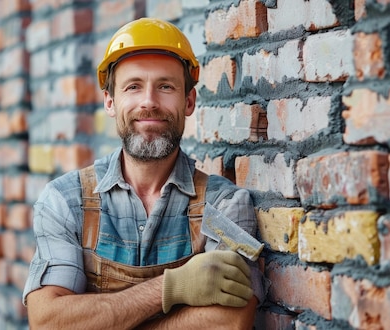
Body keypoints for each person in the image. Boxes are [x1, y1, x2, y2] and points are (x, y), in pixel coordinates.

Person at [22, 17, 264, 329]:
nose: (148, 102)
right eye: (133, 87)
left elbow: (228, 323)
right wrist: (171, 288)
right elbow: (48, 322)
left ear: (188, 101)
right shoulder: (65, 202)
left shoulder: (227, 206)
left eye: (165, 86)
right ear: (110, 101)